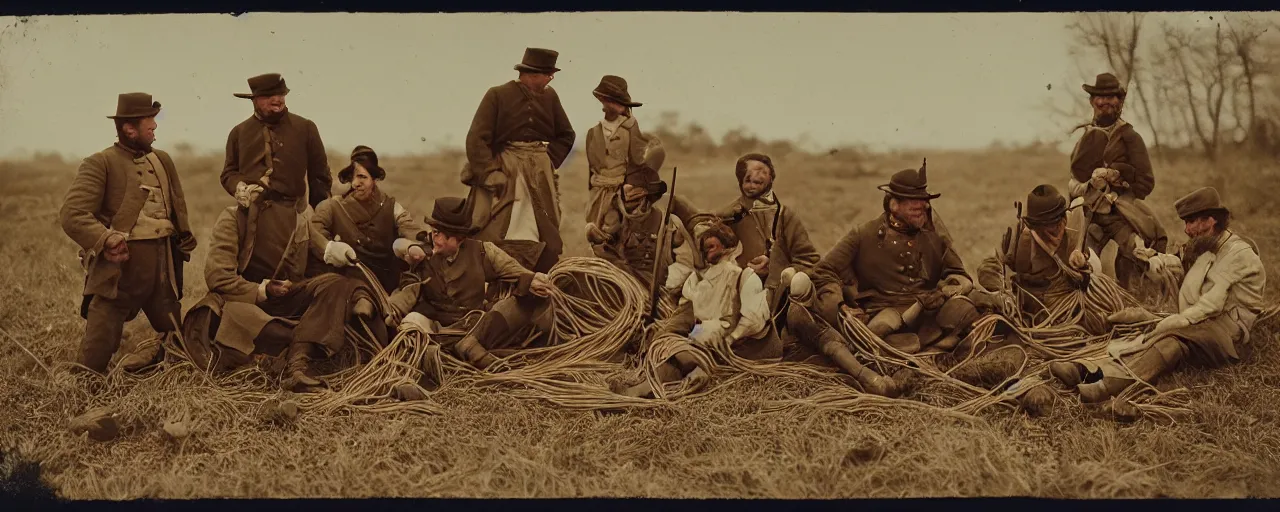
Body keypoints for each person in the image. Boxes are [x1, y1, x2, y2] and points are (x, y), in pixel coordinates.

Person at [1049, 187, 1266, 415]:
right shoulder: (1209, 243)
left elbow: (1209, 307)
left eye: (1191, 222)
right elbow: (1180, 261)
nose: (1186, 229)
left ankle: (1110, 385)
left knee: (1169, 340)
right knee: (1137, 326)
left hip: (1228, 333)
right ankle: (1084, 369)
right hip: (1203, 323)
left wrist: (1170, 323)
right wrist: (1153, 258)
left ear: (1209, 220)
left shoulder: (1237, 256)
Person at [59, 92, 197, 374]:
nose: (155, 130)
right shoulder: (100, 163)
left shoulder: (163, 160)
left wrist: (183, 234)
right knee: (101, 336)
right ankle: (82, 385)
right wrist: (106, 238)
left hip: (163, 262)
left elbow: (177, 204)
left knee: (174, 332)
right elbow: (73, 215)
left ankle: (168, 373)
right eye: (150, 125)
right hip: (123, 263)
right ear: (129, 129)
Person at [179, 201, 377, 392]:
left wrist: (335, 257)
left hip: (287, 302)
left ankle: (296, 365)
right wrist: (262, 290)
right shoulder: (234, 219)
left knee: (335, 283)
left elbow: (320, 258)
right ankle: (293, 356)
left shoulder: (300, 220)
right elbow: (219, 277)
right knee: (277, 331)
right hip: (245, 305)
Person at [808, 161, 980, 355]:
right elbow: (823, 271)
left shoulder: (934, 236)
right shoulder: (863, 234)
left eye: (924, 201)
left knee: (967, 311)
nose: (922, 206)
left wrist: (951, 287)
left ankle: (936, 353)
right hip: (882, 314)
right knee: (873, 338)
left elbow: (957, 273)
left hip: (929, 314)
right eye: (913, 203)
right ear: (894, 205)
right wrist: (841, 307)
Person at [384, 197, 557, 370]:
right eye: (435, 232)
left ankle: (465, 350)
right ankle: (426, 360)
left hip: (474, 327)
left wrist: (534, 280)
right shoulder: (422, 253)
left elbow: (517, 272)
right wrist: (410, 249)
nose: (438, 240)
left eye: (446, 236)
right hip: (436, 327)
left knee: (519, 301)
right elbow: (399, 250)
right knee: (411, 322)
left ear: (460, 239)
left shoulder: (483, 252)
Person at [614, 220, 776, 398]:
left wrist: (730, 339)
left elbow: (754, 321)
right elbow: (688, 312)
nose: (707, 250)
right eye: (705, 247)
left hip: (737, 348)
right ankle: (651, 384)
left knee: (689, 344)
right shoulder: (695, 280)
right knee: (670, 343)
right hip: (703, 340)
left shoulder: (744, 277)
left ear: (728, 247)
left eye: (712, 245)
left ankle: (658, 385)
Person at [461, 48, 576, 273]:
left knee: (543, 224)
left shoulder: (550, 96)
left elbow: (566, 135)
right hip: (506, 169)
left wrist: (547, 161)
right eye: (548, 75)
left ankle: (538, 272)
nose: (550, 80)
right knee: (495, 223)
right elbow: (477, 138)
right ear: (532, 74)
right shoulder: (497, 95)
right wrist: (491, 172)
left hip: (539, 172)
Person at [219, 73, 334, 282]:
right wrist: (239, 187)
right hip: (253, 217)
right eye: (269, 95)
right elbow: (228, 173)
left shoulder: (305, 128)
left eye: (281, 94)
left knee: (296, 276)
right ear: (254, 100)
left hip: (293, 216)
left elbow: (320, 177)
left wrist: (320, 218)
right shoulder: (239, 133)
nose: (277, 100)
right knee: (252, 275)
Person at [1066, 72, 1168, 291]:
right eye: (1100, 97)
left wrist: (1118, 173)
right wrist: (1090, 184)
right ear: (1092, 101)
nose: (1105, 102)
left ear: (1120, 101)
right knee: (1074, 260)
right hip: (1088, 213)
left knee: (1139, 253)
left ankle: (1137, 302)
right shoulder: (1085, 137)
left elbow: (1145, 184)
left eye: (1112, 97)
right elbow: (1075, 178)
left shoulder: (1130, 137)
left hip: (1122, 215)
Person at [972, 184, 1107, 333]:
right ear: (1035, 226)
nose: (1056, 229)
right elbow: (988, 266)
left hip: (1069, 304)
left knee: (1098, 322)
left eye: (1059, 222)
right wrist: (1001, 293)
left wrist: (1084, 265)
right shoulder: (1018, 237)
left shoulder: (1075, 230)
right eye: (1049, 226)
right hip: (1026, 307)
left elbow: (1092, 273)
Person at [712, 153, 822, 318]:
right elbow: (709, 256)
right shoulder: (727, 216)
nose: (752, 186)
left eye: (758, 182)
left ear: (771, 180)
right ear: (740, 181)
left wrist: (776, 266)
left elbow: (809, 259)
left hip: (780, 297)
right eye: (747, 181)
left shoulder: (785, 216)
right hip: (734, 294)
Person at [311, 146, 429, 294]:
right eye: (352, 177)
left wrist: (415, 246)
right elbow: (316, 236)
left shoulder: (391, 207)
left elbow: (411, 230)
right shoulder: (332, 207)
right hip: (347, 283)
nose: (355, 183)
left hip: (386, 283)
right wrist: (332, 249)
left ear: (374, 179)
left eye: (362, 177)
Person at [584, 75, 661, 238]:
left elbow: (637, 161)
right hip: (599, 190)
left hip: (623, 189)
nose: (612, 106)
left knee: (614, 227)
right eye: (608, 101)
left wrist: (629, 185)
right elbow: (592, 168)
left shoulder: (630, 127)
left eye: (616, 102)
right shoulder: (594, 132)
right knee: (594, 224)